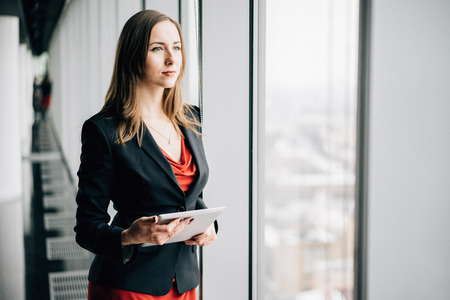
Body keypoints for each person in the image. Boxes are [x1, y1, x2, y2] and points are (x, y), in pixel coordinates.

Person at [74, 10, 217, 300]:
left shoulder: (191, 117)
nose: (171, 58)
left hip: (184, 281)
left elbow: (187, 194)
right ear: (133, 56)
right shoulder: (104, 130)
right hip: (129, 284)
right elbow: (87, 227)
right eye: (157, 49)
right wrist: (130, 235)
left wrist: (210, 225)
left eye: (176, 47)